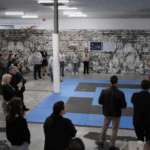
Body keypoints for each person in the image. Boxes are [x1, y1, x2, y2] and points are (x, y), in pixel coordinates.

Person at [97, 75, 127, 150]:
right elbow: (124, 105)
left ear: (110, 81)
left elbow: (100, 102)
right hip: (116, 114)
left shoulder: (104, 91)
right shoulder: (120, 93)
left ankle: (101, 141)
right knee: (114, 129)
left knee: (104, 127)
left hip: (107, 112)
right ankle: (112, 145)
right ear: (117, 82)